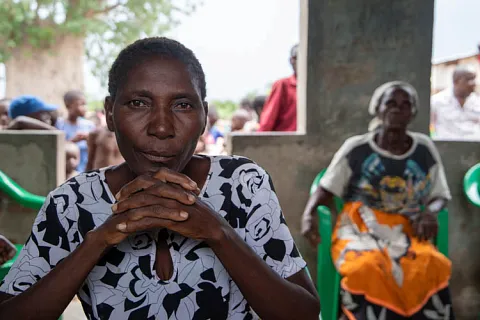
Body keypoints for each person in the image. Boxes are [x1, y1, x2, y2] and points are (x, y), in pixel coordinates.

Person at [0, 37, 319, 320]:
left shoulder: (242, 184)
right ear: (110, 114)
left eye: (182, 105)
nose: (162, 127)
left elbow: (303, 312)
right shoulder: (72, 203)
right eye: (138, 103)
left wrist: (218, 232)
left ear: (204, 116)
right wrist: (101, 238)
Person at [301, 81, 454, 319]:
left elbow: (440, 196)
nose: (397, 109)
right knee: (367, 266)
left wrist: (429, 213)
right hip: (359, 226)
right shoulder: (357, 147)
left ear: (413, 113)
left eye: (405, 105)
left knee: (431, 263)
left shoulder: (424, 148)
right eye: (390, 103)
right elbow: (325, 188)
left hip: (408, 228)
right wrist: (308, 214)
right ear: (378, 109)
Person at [431, 65, 480, 141]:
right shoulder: (437, 101)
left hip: (474, 149)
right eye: (469, 79)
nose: (473, 83)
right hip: (446, 149)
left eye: (474, 79)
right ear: (456, 81)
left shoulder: (477, 102)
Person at [258, 44, 298, 132]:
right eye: (298, 58)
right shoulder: (283, 85)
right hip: (286, 142)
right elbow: (268, 120)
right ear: (292, 61)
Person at [55, 91, 96, 172]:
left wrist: (89, 139)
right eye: (81, 104)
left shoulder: (89, 125)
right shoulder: (60, 125)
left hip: (87, 171)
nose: (85, 108)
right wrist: (73, 141)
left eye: (85, 104)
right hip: (67, 172)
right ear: (68, 106)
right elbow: (56, 149)